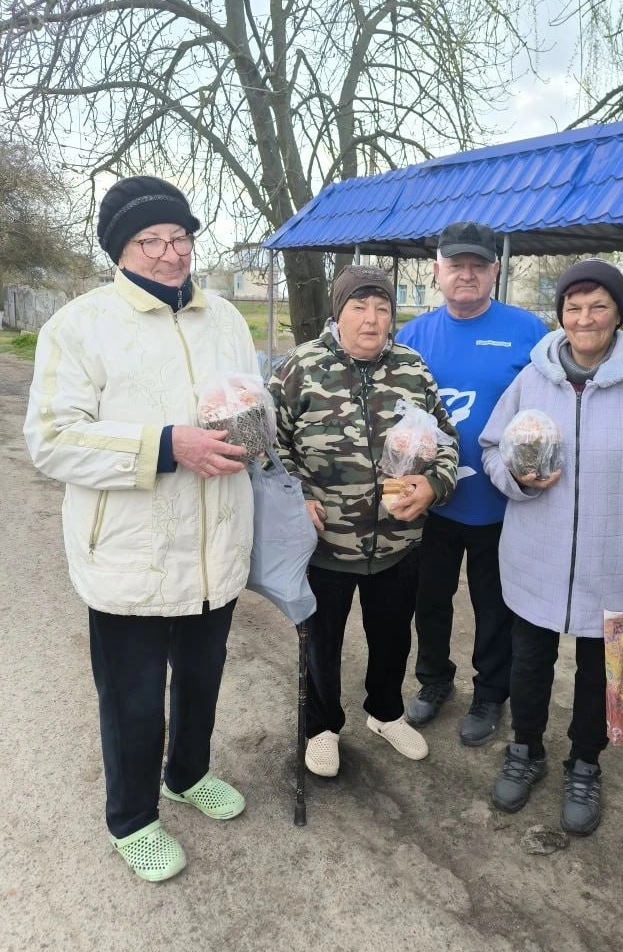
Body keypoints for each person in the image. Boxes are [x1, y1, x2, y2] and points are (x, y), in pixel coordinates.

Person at [24, 176, 260, 882]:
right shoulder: (80, 325)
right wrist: (166, 446)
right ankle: (132, 818)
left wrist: (252, 430)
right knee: (131, 698)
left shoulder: (225, 318)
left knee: (202, 678)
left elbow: (249, 401)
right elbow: (52, 439)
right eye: (150, 240)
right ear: (120, 251)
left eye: (179, 237)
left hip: (215, 542)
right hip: (130, 553)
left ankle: (186, 774)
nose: (170, 253)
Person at [479, 258, 623, 834]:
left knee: (599, 674)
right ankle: (526, 749)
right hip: (536, 560)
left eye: (598, 306)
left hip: (615, 566)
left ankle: (584, 762)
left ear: (619, 314)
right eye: (573, 308)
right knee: (529, 664)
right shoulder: (533, 379)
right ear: (561, 315)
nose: (584, 318)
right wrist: (519, 481)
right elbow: (493, 448)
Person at [269, 264, 458, 778]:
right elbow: (268, 446)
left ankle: (385, 713)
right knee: (321, 643)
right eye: (359, 307)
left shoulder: (412, 368)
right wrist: (295, 497)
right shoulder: (300, 367)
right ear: (339, 312)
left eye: (382, 308)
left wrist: (434, 484)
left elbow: (446, 441)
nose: (372, 319)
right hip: (324, 543)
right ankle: (322, 727)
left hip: (398, 542)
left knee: (393, 638)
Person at [397, 222, 547, 745]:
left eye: (478, 265)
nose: (467, 274)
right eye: (456, 265)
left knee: (495, 607)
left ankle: (489, 695)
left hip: (500, 504)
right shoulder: (413, 336)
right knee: (430, 601)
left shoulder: (528, 332)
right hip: (431, 503)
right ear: (436, 271)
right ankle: (434, 679)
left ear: (495, 271)